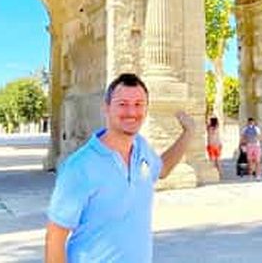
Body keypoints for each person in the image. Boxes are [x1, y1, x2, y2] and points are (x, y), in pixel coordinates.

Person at [45, 72, 195, 263]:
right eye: (122, 104)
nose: (131, 112)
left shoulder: (141, 148)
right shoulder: (79, 166)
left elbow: (163, 168)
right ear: (106, 108)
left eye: (138, 104)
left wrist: (188, 134)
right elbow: (55, 237)